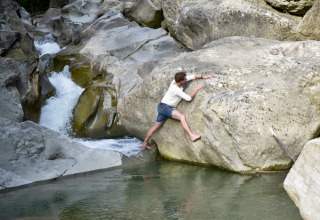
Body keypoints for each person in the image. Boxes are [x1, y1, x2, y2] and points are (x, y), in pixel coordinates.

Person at [141, 71, 212, 149]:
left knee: (156, 126)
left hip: (161, 106)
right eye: (185, 79)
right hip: (166, 107)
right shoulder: (176, 89)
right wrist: (197, 89)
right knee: (182, 116)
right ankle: (192, 136)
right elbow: (188, 98)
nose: (186, 79)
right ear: (181, 81)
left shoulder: (174, 81)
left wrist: (203, 76)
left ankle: (144, 143)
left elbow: (192, 77)